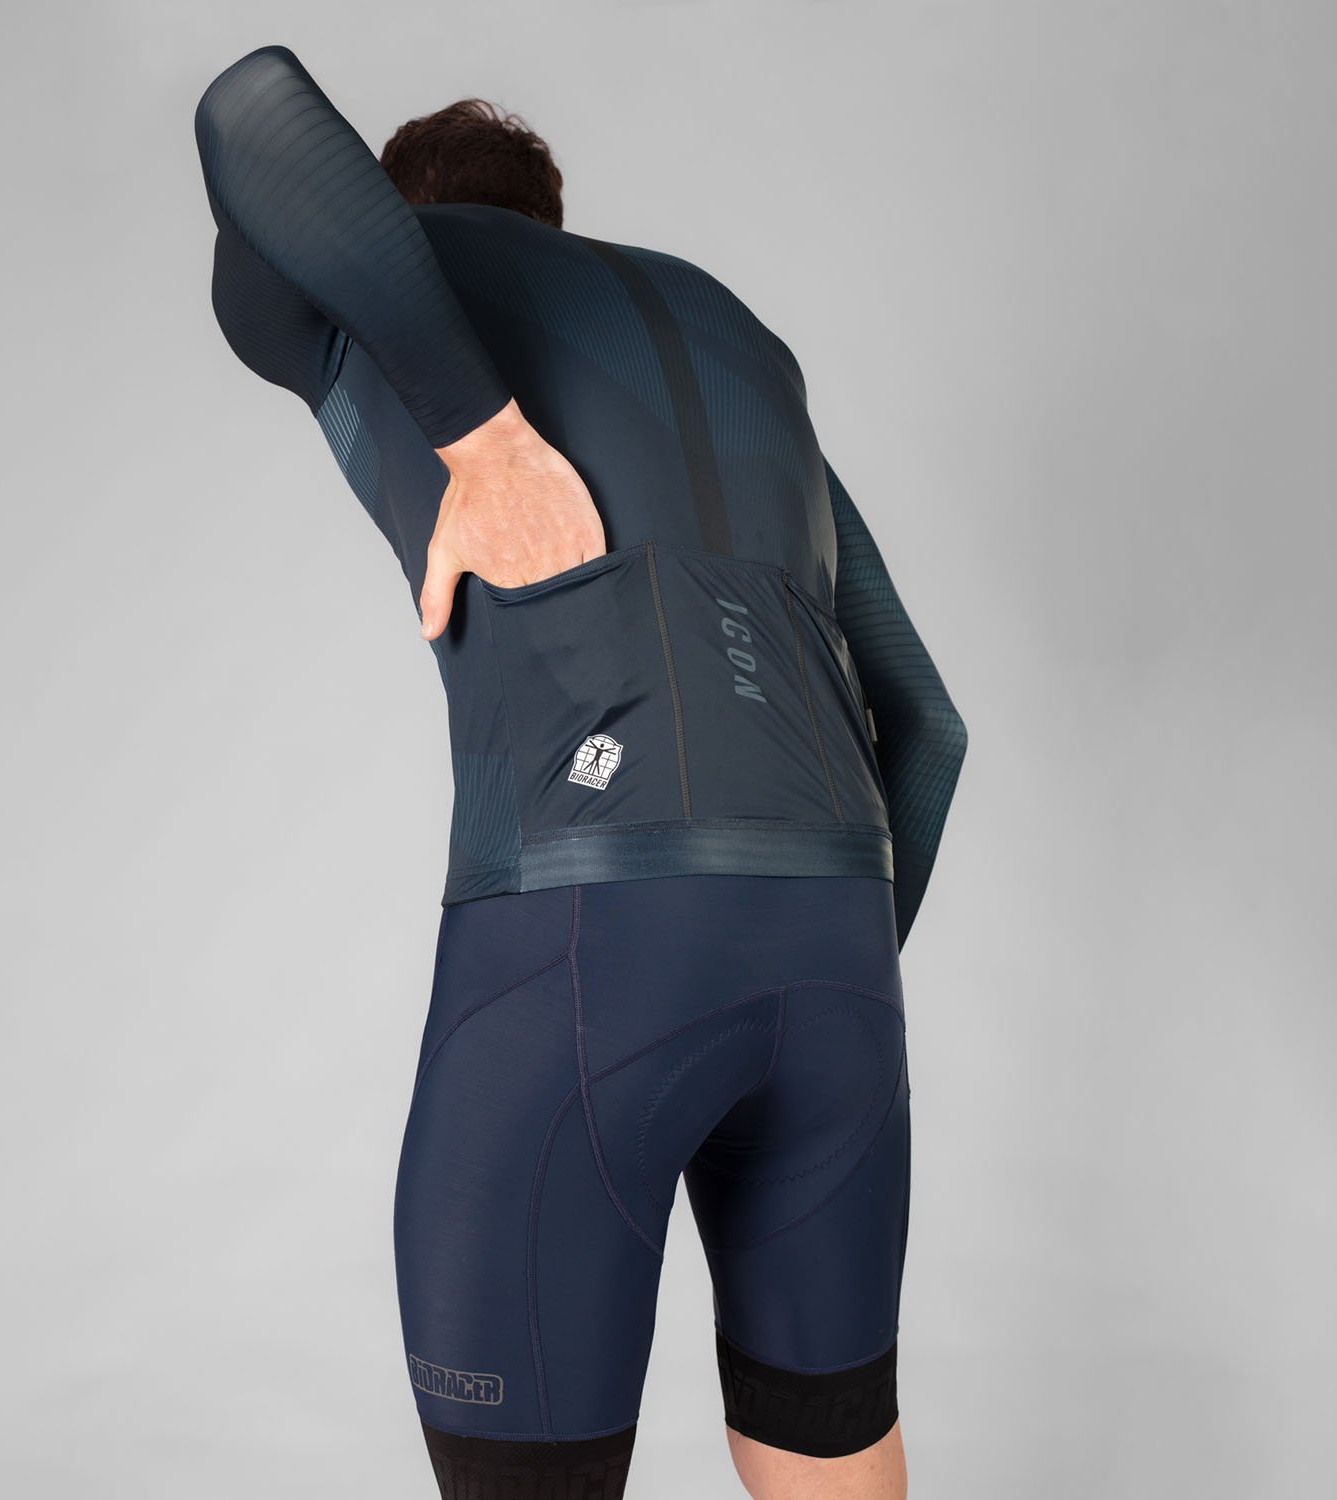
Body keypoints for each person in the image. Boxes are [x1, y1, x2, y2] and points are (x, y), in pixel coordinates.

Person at [193, 43, 967, 1500]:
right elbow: (929, 726)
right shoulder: (743, 347)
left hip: (580, 952)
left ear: (386, 222)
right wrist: (797, 965)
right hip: (839, 976)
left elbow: (250, 112)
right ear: (553, 221)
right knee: (829, 1456)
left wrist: (484, 440)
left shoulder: (383, 300)